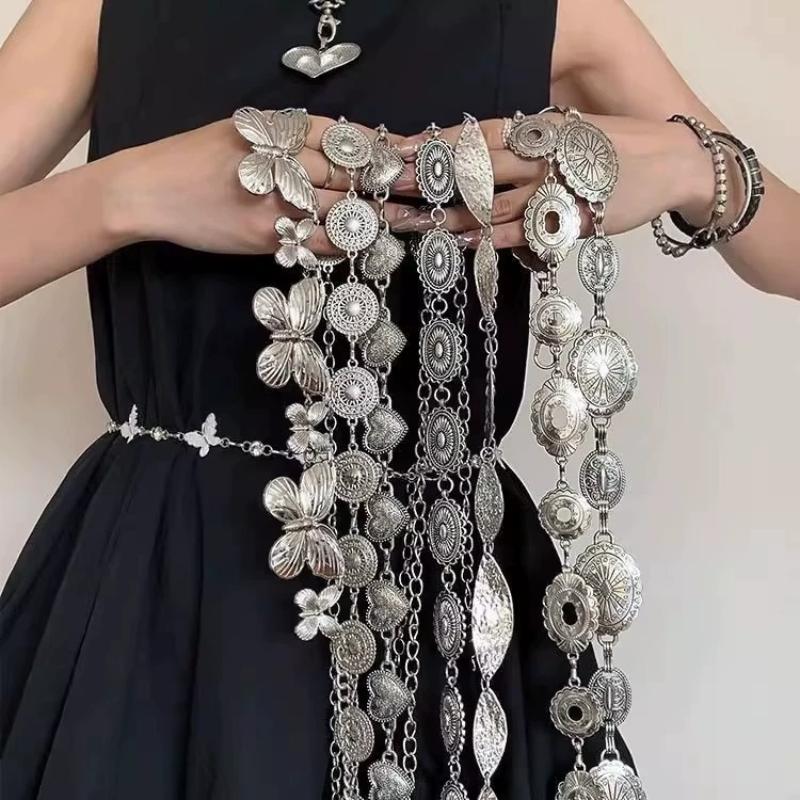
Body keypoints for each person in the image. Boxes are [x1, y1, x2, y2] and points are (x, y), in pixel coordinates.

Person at [0, 1, 796, 799]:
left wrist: (694, 166)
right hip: (158, 589)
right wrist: (122, 193)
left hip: (443, 599)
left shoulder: (552, 13)